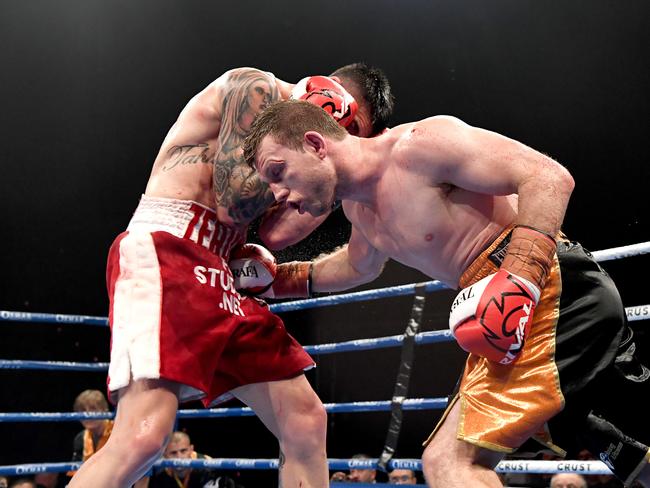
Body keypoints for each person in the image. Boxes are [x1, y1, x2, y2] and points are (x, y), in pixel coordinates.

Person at [242, 100, 650, 488]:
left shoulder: (420, 146)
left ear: (315, 144)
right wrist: (275, 280)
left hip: (551, 291)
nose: (277, 194)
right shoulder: (359, 211)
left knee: (451, 461)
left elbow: (546, 176)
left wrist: (519, 278)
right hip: (514, 312)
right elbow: (355, 267)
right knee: (631, 450)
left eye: (278, 172)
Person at [68, 64, 393, 488]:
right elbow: (232, 204)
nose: (339, 144)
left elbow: (275, 235)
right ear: (329, 96)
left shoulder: (303, 155)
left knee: (304, 420)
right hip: (171, 247)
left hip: (221, 272)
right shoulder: (254, 86)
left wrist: (330, 180)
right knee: (144, 436)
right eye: (344, 129)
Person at [142, 431, 238, 488]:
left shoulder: (209, 468)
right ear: (165, 454)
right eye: (173, 453)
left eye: (183, 451)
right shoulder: (159, 471)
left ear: (191, 449)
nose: (179, 457)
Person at [69, 389, 114, 467]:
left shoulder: (117, 432)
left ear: (105, 410)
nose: (88, 414)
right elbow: (77, 473)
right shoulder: (80, 438)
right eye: (83, 410)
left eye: (93, 408)